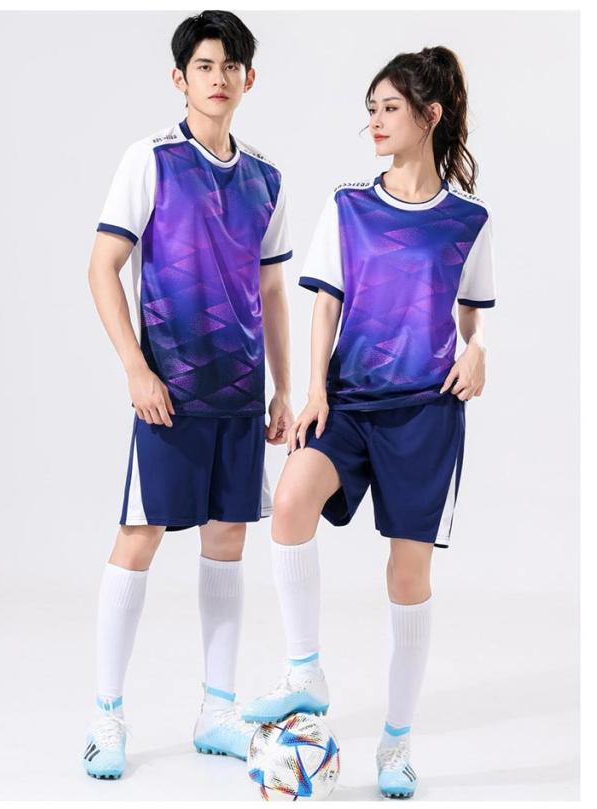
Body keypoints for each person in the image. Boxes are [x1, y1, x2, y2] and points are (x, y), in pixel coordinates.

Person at [242, 46, 496, 799]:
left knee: (407, 574)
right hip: (348, 402)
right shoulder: (349, 204)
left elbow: (473, 317)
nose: (376, 123)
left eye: (390, 108)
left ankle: (396, 741)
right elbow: (325, 302)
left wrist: (480, 350)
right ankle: (305, 671)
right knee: (291, 501)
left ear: (430, 115)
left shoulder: (469, 219)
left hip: (427, 415)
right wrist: (313, 390)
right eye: (372, 110)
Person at [83, 10, 293, 779]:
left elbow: (272, 289)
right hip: (168, 393)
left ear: (249, 78)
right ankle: (107, 716)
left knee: (228, 539)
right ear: (180, 78)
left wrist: (285, 387)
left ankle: (216, 710)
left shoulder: (266, 176)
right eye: (204, 65)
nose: (218, 77)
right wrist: (135, 369)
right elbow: (102, 266)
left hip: (240, 395)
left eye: (231, 65)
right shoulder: (151, 159)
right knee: (139, 537)